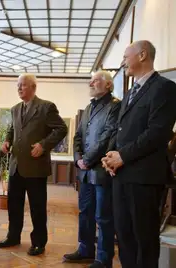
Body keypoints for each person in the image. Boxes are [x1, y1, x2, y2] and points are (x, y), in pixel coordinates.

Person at [102, 40, 176, 268]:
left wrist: (122, 156)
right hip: (121, 175)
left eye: (126, 56)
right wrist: (110, 157)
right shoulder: (129, 92)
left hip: (145, 177)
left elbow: (158, 133)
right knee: (124, 237)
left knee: (144, 240)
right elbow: (120, 129)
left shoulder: (165, 88)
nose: (123, 62)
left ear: (142, 55)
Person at [0, 73, 68, 256]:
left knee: (37, 207)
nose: (19, 88)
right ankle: (13, 237)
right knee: (14, 205)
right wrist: (6, 140)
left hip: (36, 167)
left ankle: (38, 242)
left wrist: (44, 145)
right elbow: (13, 129)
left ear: (33, 87)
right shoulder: (14, 109)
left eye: (23, 85)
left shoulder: (46, 107)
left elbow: (61, 128)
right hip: (16, 166)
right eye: (18, 85)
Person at [63, 71, 121, 268]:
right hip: (85, 171)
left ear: (108, 85)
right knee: (84, 212)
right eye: (91, 80)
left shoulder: (115, 106)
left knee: (103, 216)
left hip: (102, 170)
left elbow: (108, 136)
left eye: (96, 80)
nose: (91, 83)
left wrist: (87, 159)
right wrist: (78, 158)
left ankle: (104, 259)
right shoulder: (88, 108)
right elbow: (77, 136)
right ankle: (85, 249)